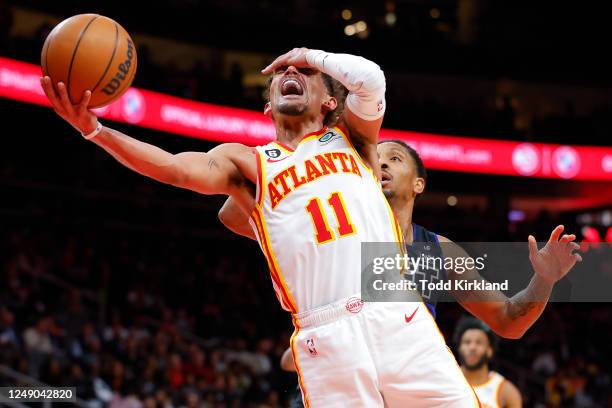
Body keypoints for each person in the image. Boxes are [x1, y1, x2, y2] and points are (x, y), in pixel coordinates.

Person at [223, 140, 581, 375]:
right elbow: (232, 216)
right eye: (372, 160)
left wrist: (544, 279)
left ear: (418, 185)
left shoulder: (439, 250)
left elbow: (508, 320)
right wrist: (292, 162)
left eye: (393, 159)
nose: (380, 165)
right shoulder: (327, 228)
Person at [454, 317, 522, 408]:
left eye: (479, 343)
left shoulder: (506, 391)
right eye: (467, 342)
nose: (472, 347)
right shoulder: (445, 380)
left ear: (489, 350)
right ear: (459, 348)